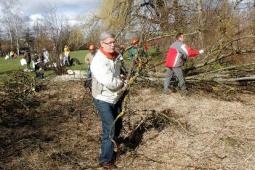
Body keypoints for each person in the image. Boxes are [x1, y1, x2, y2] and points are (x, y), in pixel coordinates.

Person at [90, 31, 127, 169]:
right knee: (110, 128)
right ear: (102, 44)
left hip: (116, 96)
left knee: (118, 125)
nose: (112, 45)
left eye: (113, 42)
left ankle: (114, 144)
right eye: (109, 43)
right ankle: (105, 160)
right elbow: (110, 82)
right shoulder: (98, 61)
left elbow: (121, 71)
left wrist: (124, 76)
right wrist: (123, 82)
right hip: (102, 98)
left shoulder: (116, 55)